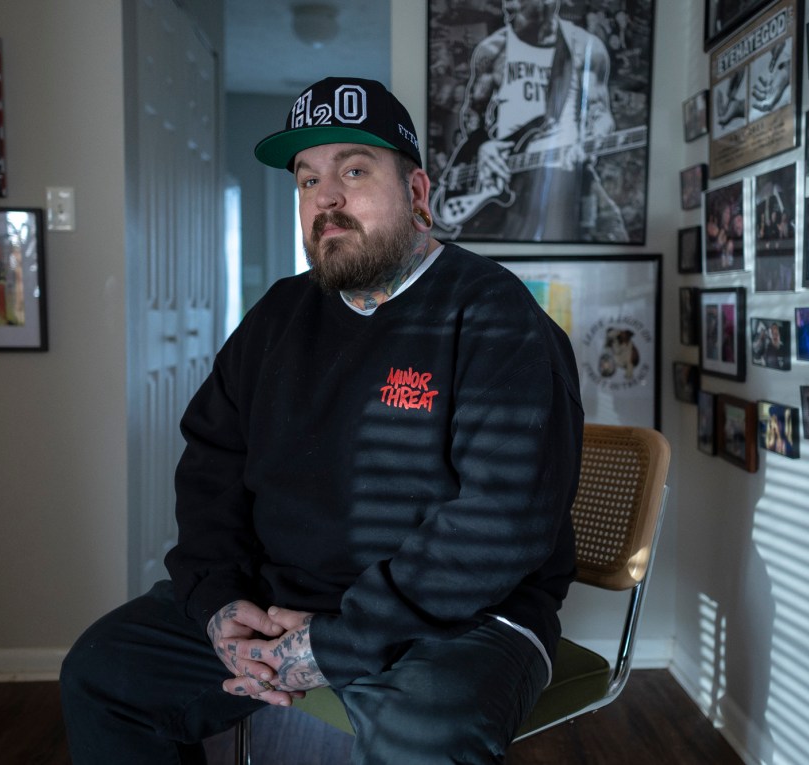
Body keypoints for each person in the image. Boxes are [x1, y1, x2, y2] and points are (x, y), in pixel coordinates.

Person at [60, 76, 585, 764]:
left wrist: (336, 642)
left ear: (418, 194)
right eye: (307, 181)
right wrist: (219, 603)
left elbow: (499, 520)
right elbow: (211, 471)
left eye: (354, 170)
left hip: (461, 621)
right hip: (279, 601)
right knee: (103, 671)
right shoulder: (278, 316)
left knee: (420, 738)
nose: (326, 199)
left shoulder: (493, 317)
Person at [432, 0, 629, 242]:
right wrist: (484, 147)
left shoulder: (586, 48)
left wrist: (592, 140)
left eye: (517, 5)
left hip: (564, 174)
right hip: (505, 174)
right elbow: (473, 117)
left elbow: (601, 114)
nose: (507, 10)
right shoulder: (493, 49)